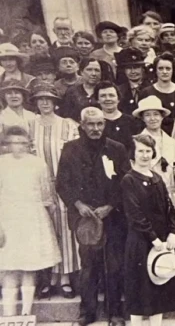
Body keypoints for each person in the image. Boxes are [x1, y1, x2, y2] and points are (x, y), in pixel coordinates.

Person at [56, 107, 130, 326]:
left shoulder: (117, 149)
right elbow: (62, 183)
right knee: (88, 266)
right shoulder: (70, 149)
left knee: (114, 265)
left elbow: (125, 182)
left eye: (99, 124)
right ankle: (87, 312)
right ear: (82, 124)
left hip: (113, 216)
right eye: (90, 124)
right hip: (85, 219)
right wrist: (77, 204)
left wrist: (111, 205)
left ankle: (115, 313)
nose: (95, 128)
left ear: (104, 124)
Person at [0, 125, 61, 316]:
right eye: (12, 143)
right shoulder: (1, 163)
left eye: (22, 143)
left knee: (29, 266)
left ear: (28, 144)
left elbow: (46, 195)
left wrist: (50, 218)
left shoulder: (38, 164)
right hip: (8, 219)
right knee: (9, 267)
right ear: (6, 145)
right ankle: (9, 314)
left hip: (32, 218)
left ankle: (26, 314)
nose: (17, 147)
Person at [121, 134, 175, 326]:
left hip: (162, 242)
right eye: (140, 151)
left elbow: (170, 207)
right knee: (139, 289)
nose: (145, 155)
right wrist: (153, 238)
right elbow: (134, 213)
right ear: (133, 153)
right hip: (141, 242)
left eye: (148, 151)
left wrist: (172, 232)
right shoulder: (129, 180)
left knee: (159, 286)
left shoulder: (157, 178)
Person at [28, 84, 80, 300]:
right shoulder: (30, 125)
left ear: (55, 102)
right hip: (37, 185)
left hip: (63, 184)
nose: (45, 103)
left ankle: (65, 277)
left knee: (65, 229)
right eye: (40, 99)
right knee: (45, 229)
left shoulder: (67, 125)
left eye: (49, 99)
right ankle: (49, 277)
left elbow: (75, 156)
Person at [134, 96, 175, 200]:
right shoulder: (138, 142)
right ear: (142, 118)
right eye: (147, 115)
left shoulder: (172, 142)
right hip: (149, 194)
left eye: (156, 114)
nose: (152, 119)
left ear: (162, 116)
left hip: (172, 194)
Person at [139, 53, 175, 135]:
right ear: (155, 70)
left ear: (173, 70)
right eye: (160, 68)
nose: (164, 72)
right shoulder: (146, 92)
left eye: (168, 69)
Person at [95, 80, 142, 151]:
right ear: (97, 100)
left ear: (118, 99)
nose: (108, 99)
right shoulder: (94, 122)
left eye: (111, 95)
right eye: (103, 96)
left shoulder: (132, 121)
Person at [117, 47, 151, 116]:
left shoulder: (151, 88)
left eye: (136, 67)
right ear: (124, 70)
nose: (133, 72)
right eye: (129, 68)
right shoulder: (119, 90)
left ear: (143, 69)